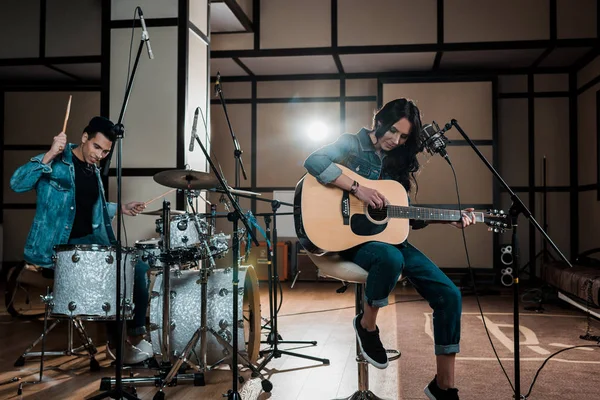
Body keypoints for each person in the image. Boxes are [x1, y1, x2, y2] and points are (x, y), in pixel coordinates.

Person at [303, 98, 476, 400]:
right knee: (390, 257)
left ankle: (443, 387)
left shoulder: (399, 161)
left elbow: (400, 217)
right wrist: (358, 189)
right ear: (380, 121)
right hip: (353, 241)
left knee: (449, 294)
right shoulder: (352, 144)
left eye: (404, 136)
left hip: (392, 240)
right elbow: (314, 162)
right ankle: (367, 326)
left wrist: (449, 219)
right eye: (393, 131)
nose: (395, 140)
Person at [10, 116, 153, 365]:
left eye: (106, 152)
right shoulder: (57, 161)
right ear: (85, 138)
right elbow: (17, 184)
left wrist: (121, 208)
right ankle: (117, 345)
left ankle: (132, 337)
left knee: (136, 267)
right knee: (113, 277)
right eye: (96, 147)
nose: (99, 155)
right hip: (58, 248)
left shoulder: (92, 170)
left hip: (90, 243)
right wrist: (48, 154)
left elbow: (89, 208)